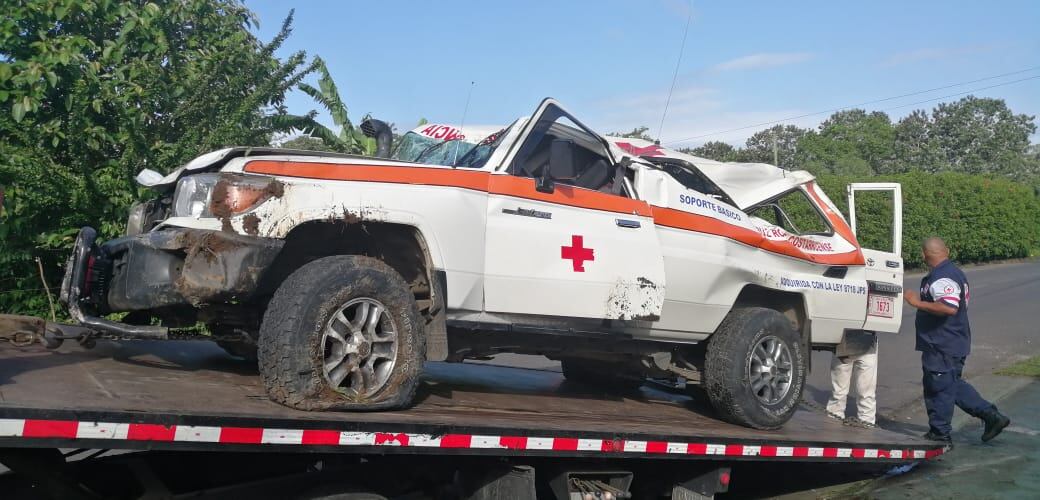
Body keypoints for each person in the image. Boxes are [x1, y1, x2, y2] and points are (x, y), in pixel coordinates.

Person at [903, 237, 1010, 444]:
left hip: (943, 343)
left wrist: (916, 302)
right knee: (952, 385)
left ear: (924, 255)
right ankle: (992, 417)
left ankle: (939, 434)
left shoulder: (943, 277)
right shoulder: (952, 272)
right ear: (947, 251)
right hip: (950, 342)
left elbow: (948, 307)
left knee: (939, 388)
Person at [826, 330, 878, 426]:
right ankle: (832, 429)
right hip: (845, 341)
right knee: (840, 394)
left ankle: (867, 432)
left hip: (865, 343)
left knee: (865, 396)